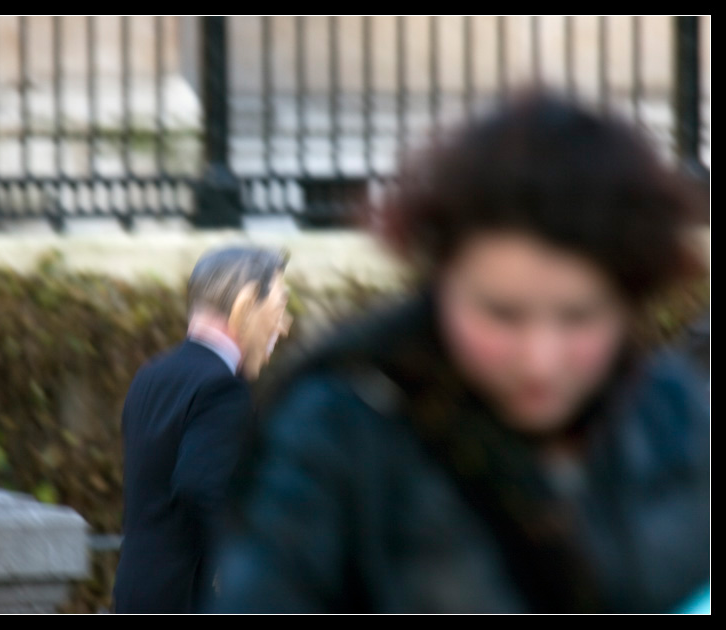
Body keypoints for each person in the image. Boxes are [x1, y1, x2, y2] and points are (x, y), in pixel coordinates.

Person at [212, 94, 709, 613]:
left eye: (578, 318)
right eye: (502, 315)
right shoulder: (343, 426)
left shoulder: (675, 417)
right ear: (440, 280)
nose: (540, 360)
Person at [113, 246, 291, 613]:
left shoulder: (151, 375)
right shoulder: (223, 388)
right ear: (244, 306)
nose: (284, 326)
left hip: (136, 591)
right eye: (279, 308)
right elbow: (202, 487)